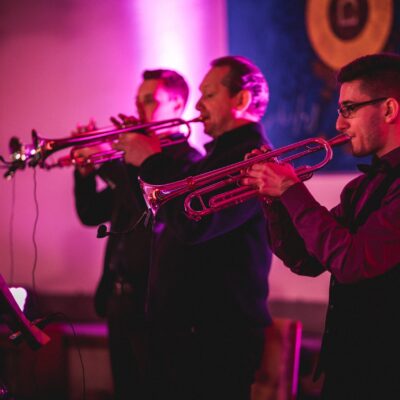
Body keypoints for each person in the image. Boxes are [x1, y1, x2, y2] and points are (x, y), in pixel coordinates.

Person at [244, 52, 400, 399]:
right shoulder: (361, 188)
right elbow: (308, 260)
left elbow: (353, 263)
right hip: (349, 365)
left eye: (348, 109)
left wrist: (292, 190)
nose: (340, 124)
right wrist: (273, 198)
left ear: (389, 110)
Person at [116, 55, 273, 400]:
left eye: (209, 94)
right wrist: (137, 163)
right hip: (186, 332)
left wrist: (152, 160)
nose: (198, 104)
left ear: (241, 100)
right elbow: (158, 210)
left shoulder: (253, 159)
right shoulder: (216, 157)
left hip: (217, 337)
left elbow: (194, 225)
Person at [73, 69, 201, 400]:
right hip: (118, 300)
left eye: (150, 101)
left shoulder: (189, 162)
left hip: (154, 303)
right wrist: (85, 171)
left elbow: (148, 207)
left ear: (176, 103)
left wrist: (113, 163)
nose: (142, 110)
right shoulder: (130, 161)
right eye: (138, 101)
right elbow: (90, 213)